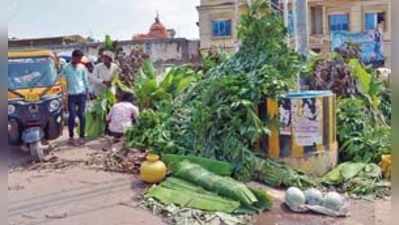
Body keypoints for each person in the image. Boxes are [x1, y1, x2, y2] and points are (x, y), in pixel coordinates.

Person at [62, 49, 90, 146]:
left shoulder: (82, 67)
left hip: (81, 94)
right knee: (72, 116)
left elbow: (85, 80)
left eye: (80, 58)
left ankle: (82, 137)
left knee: (82, 115)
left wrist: (87, 92)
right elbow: (60, 77)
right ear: (73, 57)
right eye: (78, 58)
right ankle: (71, 137)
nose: (79, 60)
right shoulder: (66, 67)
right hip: (71, 95)